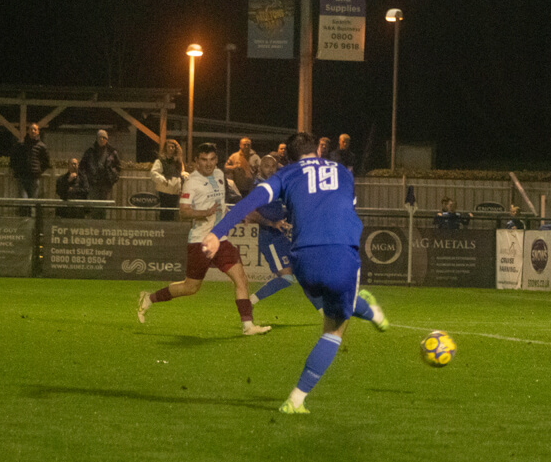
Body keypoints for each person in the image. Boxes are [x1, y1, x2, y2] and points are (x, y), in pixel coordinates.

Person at [201, 132, 369, 413]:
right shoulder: (342, 171)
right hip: (340, 253)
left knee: (303, 283)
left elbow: (247, 203)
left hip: (303, 257)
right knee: (336, 328)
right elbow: (347, 206)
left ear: (287, 158)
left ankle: (372, 313)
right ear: (318, 148)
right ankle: (296, 399)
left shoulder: (286, 174)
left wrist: (217, 232)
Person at [135, 143, 271, 336]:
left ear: (217, 160)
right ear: (196, 161)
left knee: (241, 279)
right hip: (201, 241)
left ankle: (248, 326)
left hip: (221, 239)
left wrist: (239, 215)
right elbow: (183, 211)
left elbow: (221, 205)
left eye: (212, 160)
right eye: (204, 160)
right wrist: (203, 212)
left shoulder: (219, 175)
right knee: (191, 287)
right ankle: (149, 298)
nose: (208, 164)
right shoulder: (192, 182)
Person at [243, 154, 390, 330]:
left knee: (304, 276)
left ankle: (324, 312)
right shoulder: (260, 188)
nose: (270, 169)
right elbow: (250, 213)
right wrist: (272, 223)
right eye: (266, 166)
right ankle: (250, 301)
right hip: (269, 238)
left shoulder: (280, 187)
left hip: (282, 238)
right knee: (287, 277)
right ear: (260, 168)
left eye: (272, 166)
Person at [79, 129, 121, 218]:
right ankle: (94, 227)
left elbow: (118, 167)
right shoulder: (89, 151)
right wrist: (86, 181)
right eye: (100, 137)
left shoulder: (112, 152)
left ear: (107, 139)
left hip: (106, 184)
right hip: (93, 183)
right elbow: (82, 168)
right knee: (94, 206)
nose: (102, 139)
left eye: (104, 137)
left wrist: (113, 179)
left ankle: (102, 226)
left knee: (103, 207)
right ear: (96, 139)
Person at [10, 123, 50, 200]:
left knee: (33, 201)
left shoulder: (42, 146)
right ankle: (25, 212)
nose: (33, 131)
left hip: (34, 177)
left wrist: (38, 170)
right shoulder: (21, 145)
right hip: (22, 176)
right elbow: (14, 159)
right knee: (23, 200)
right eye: (31, 129)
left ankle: (32, 212)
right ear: (28, 131)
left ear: (38, 132)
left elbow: (46, 161)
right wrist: (17, 170)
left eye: (35, 129)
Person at [151, 139, 187, 221]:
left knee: (172, 211)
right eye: (169, 147)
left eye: (173, 147)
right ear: (166, 148)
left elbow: (181, 172)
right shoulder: (160, 161)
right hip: (164, 189)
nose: (171, 148)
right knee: (164, 211)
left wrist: (185, 177)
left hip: (175, 190)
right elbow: (154, 172)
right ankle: (163, 229)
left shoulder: (178, 162)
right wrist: (163, 181)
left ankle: (170, 230)